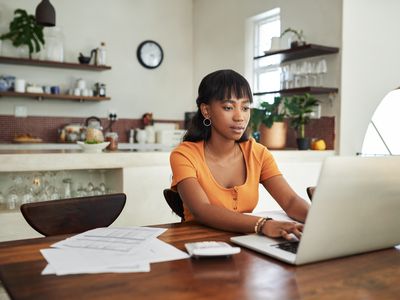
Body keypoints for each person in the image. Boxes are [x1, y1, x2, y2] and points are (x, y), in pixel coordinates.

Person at [170, 69, 310, 240]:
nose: (240, 117)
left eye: (245, 107)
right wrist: (263, 224)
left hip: (246, 246)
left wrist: (320, 220)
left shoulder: (258, 153)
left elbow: (290, 202)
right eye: (228, 107)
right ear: (206, 111)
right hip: (197, 247)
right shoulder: (184, 155)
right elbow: (201, 209)